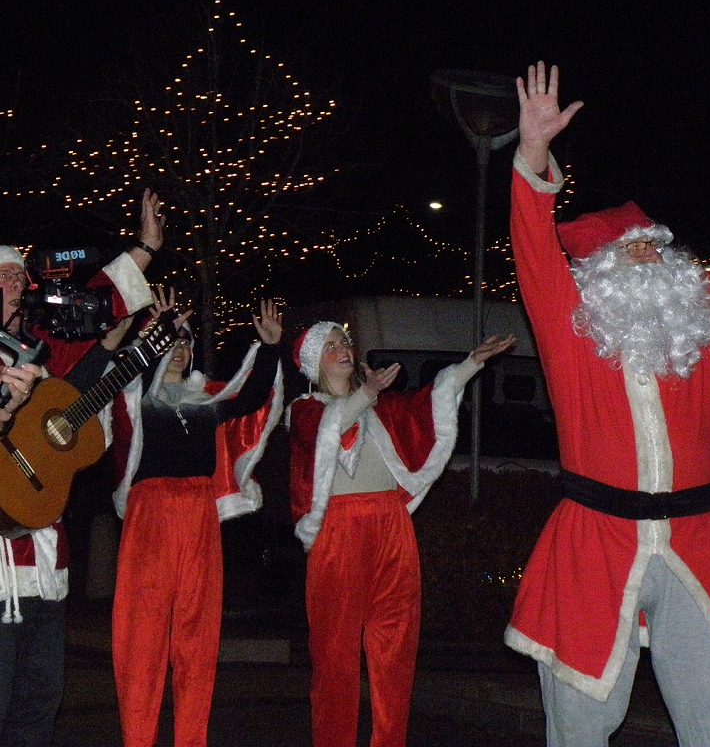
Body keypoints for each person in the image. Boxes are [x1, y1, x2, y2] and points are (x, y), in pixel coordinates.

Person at [503, 61, 710, 747]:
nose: (645, 258)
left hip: (700, 540)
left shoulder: (708, 320)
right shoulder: (567, 327)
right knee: (580, 714)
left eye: (653, 247)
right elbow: (531, 247)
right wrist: (533, 154)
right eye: (627, 250)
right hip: (594, 539)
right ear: (594, 275)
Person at [288, 321, 514, 747]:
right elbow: (327, 429)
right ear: (312, 362)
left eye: (345, 342)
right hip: (340, 531)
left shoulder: (380, 407)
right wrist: (366, 394)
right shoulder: (305, 408)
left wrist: (470, 365)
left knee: (395, 647)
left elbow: (427, 402)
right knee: (335, 655)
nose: (342, 349)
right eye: (330, 345)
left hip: (391, 525)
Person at [0, 189, 165, 747]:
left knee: (40, 700)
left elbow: (98, 301)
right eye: (3, 276)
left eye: (20, 276)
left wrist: (144, 248)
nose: (16, 284)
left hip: (43, 552)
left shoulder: (40, 346)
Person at [106, 287, 284, 747]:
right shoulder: (137, 396)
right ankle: (139, 739)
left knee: (197, 638)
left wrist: (269, 347)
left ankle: (191, 739)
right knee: (143, 637)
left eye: (186, 342)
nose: (181, 349)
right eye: (173, 341)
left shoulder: (204, 401)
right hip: (152, 515)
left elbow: (251, 398)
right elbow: (129, 370)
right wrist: (158, 330)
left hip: (200, 515)